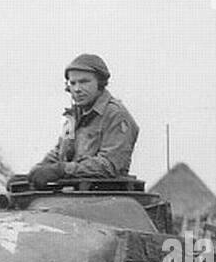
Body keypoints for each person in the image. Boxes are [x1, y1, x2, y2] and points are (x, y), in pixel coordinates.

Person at [28, 54, 139, 187]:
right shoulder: (73, 117)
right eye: (73, 83)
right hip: (75, 191)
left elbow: (109, 165)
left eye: (84, 82)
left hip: (107, 194)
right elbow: (59, 153)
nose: (77, 89)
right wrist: (36, 172)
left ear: (100, 83)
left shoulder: (115, 114)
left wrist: (62, 169)